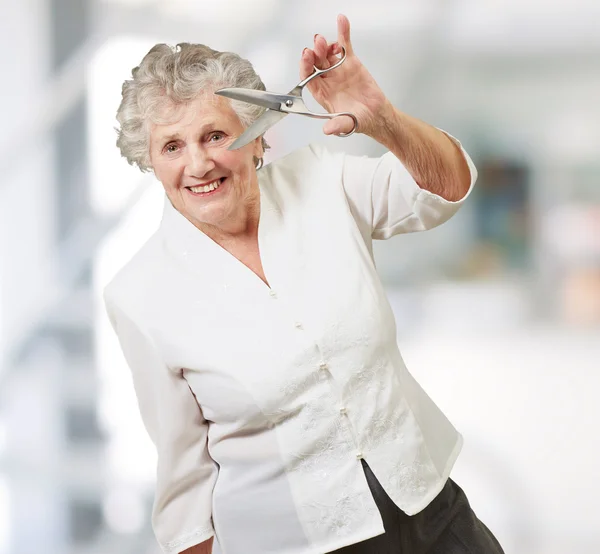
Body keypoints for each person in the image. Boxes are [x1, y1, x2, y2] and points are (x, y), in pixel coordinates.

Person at [104, 13, 505, 554]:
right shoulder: (140, 295)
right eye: (171, 147)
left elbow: (446, 187)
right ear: (150, 162)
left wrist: (382, 120)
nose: (197, 163)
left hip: (433, 510)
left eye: (215, 134)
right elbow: (186, 486)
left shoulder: (324, 181)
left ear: (256, 139)